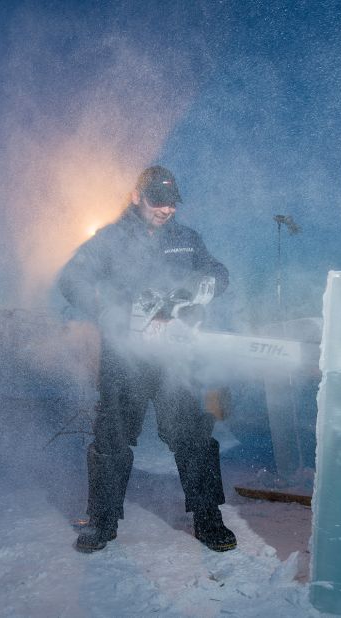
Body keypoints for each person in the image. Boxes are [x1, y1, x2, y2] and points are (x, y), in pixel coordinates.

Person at [58, 165, 237, 553]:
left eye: (172, 202)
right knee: (112, 439)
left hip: (173, 357)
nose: (166, 209)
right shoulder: (109, 240)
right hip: (126, 359)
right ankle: (102, 522)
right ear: (137, 197)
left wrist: (208, 284)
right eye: (158, 200)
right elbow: (72, 280)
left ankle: (208, 518)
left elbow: (217, 271)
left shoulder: (187, 241)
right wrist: (105, 309)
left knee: (193, 437)